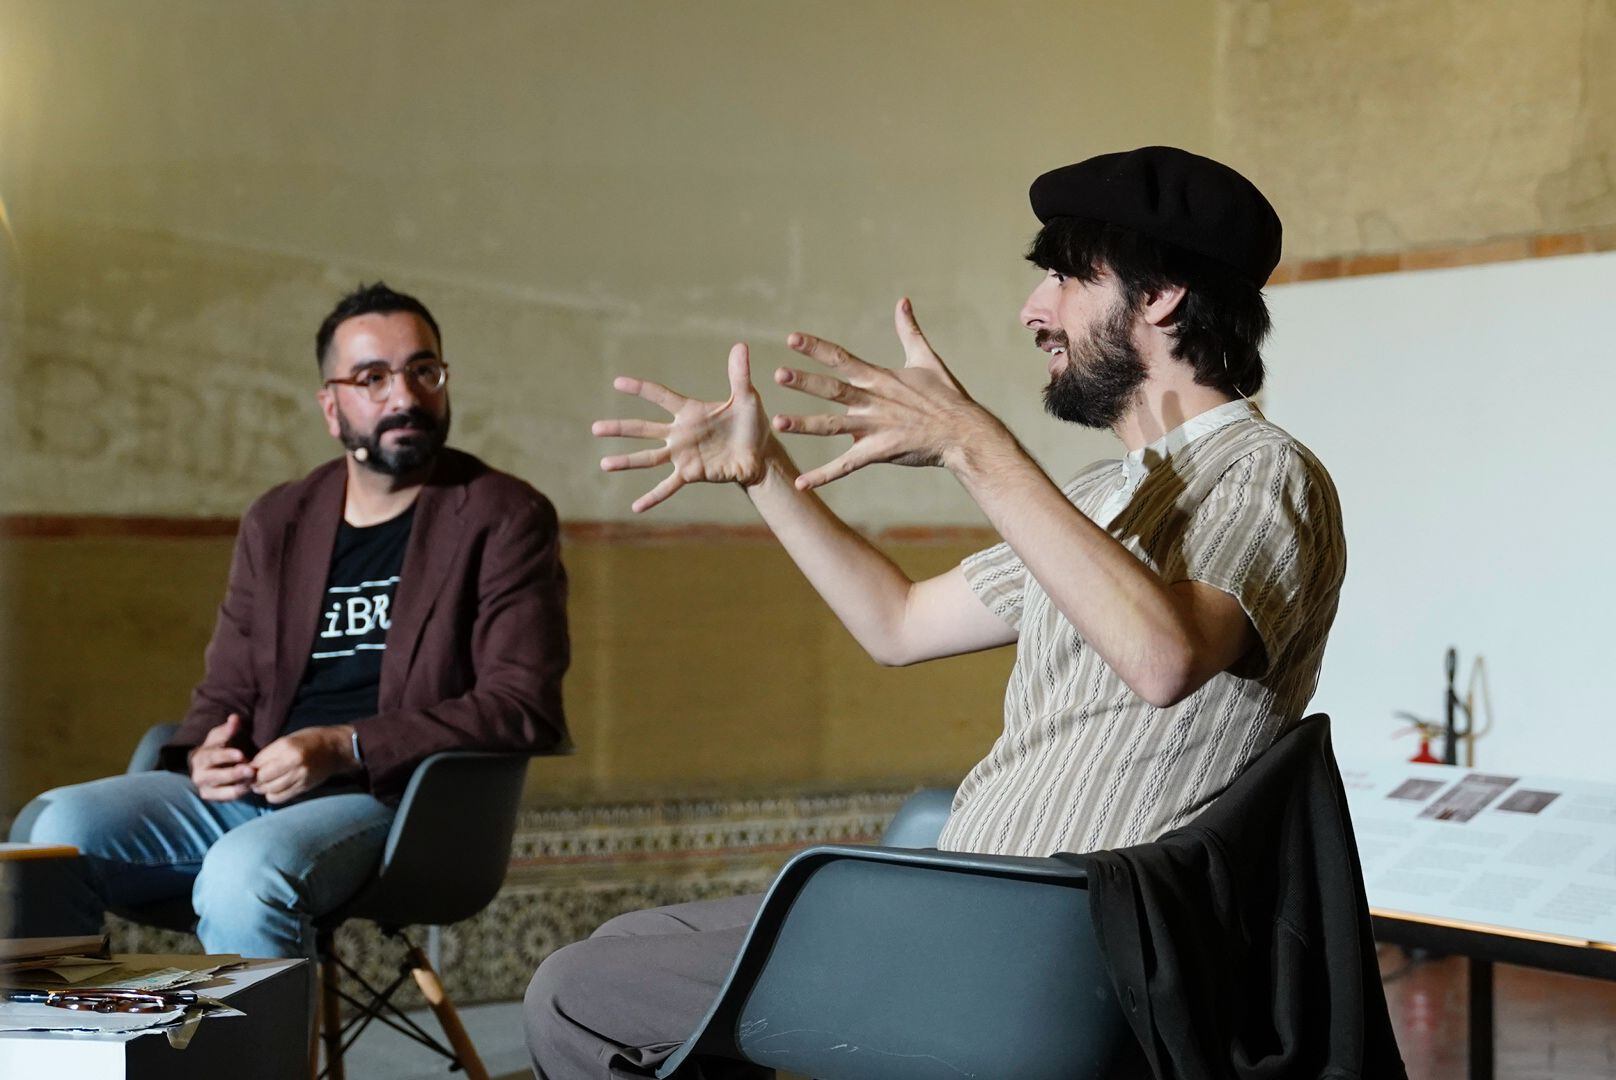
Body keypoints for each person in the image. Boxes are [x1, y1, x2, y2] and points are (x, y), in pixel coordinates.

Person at [524, 146, 1347, 1078]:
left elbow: (1165, 659)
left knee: (578, 991)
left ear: (1160, 295)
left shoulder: (1263, 472)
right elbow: (900, 623)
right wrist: (766, 476)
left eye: (1065, 277)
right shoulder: (1097, 496)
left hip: (1039, 942)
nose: (1033, 310)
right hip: (965, 906)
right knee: (627, 946)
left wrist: (972, 442)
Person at [8, 282, 571, 960]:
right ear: (331, 407)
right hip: (254, 787)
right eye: (373, 377)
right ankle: (61, 1026)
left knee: (244, 875)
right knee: (49, 832)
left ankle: (250, 1031)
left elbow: (521, 705)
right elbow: (227, 683)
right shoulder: (279, 520)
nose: (404, 396)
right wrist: (202, 754)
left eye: (423, 371)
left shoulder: (501, 516)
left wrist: (344, 744)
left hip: (396, 800)